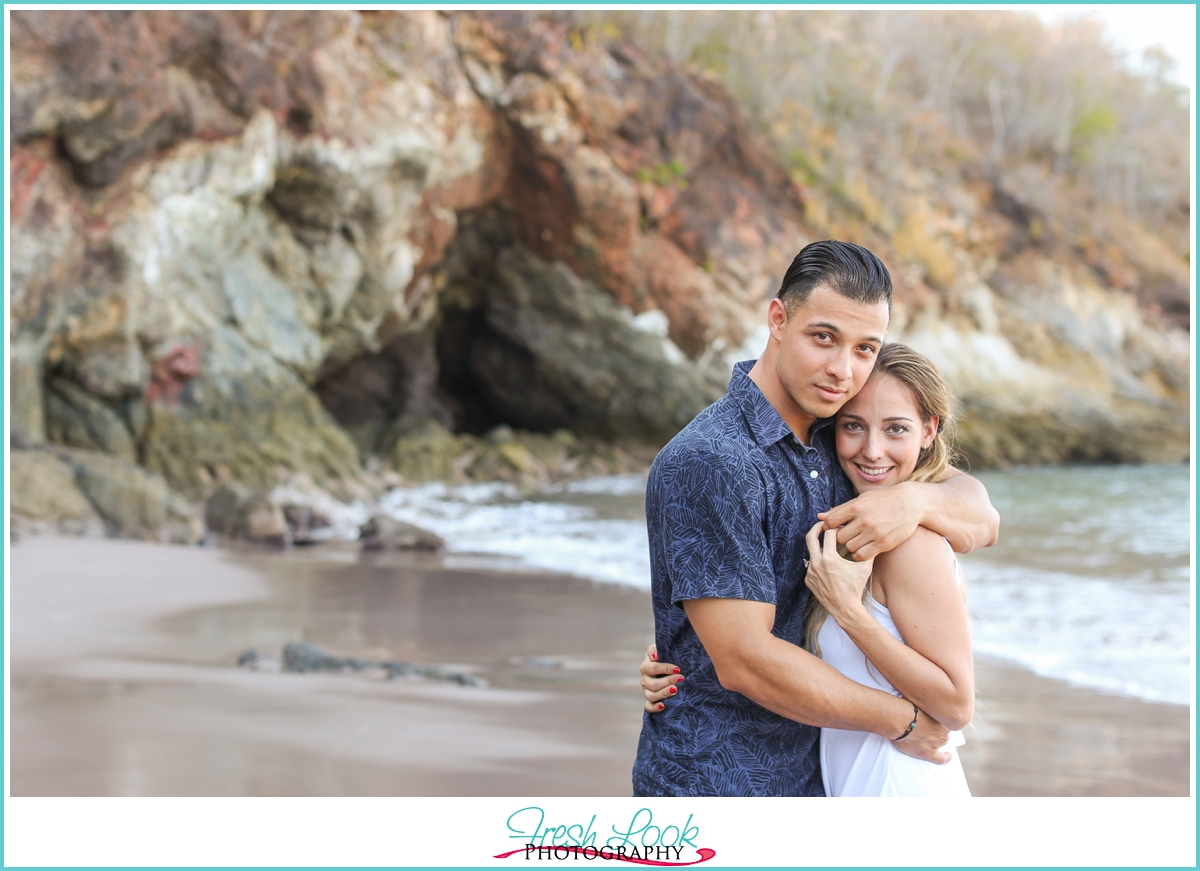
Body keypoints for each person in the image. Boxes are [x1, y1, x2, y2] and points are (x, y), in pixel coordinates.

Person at [630, 240, 998, 797]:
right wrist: (905, 721)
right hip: (718, 784)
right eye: (823, 337)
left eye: (865, 348)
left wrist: (914, 502)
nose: (842, 369)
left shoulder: (842, 437)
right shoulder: (712, 460)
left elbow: (980, 515)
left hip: (822, 780)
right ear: (778, 319)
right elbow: (746, 661)